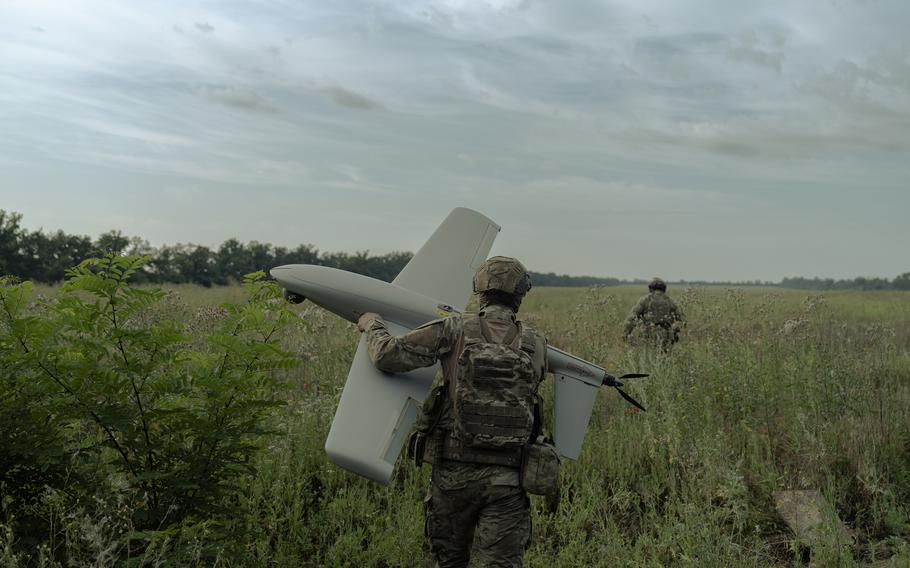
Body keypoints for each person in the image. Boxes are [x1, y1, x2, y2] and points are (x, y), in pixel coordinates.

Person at [356, 256, 551, 568]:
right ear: (521, 293)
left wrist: (372, 325)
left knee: (449, 562)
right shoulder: (535, 342)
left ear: (480, 291)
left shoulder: (454, 328)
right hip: (509, 479)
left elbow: (387, 356)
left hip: (453, 477)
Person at [623, 278, 683, 352]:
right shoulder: (670, 301)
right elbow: (681, 320)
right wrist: (674, 333)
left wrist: (626, 334)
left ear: (651, 289)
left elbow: (631, 319)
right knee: (664, 357)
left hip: (648, 334)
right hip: (666, 336)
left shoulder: (645, 300)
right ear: (664, 289)